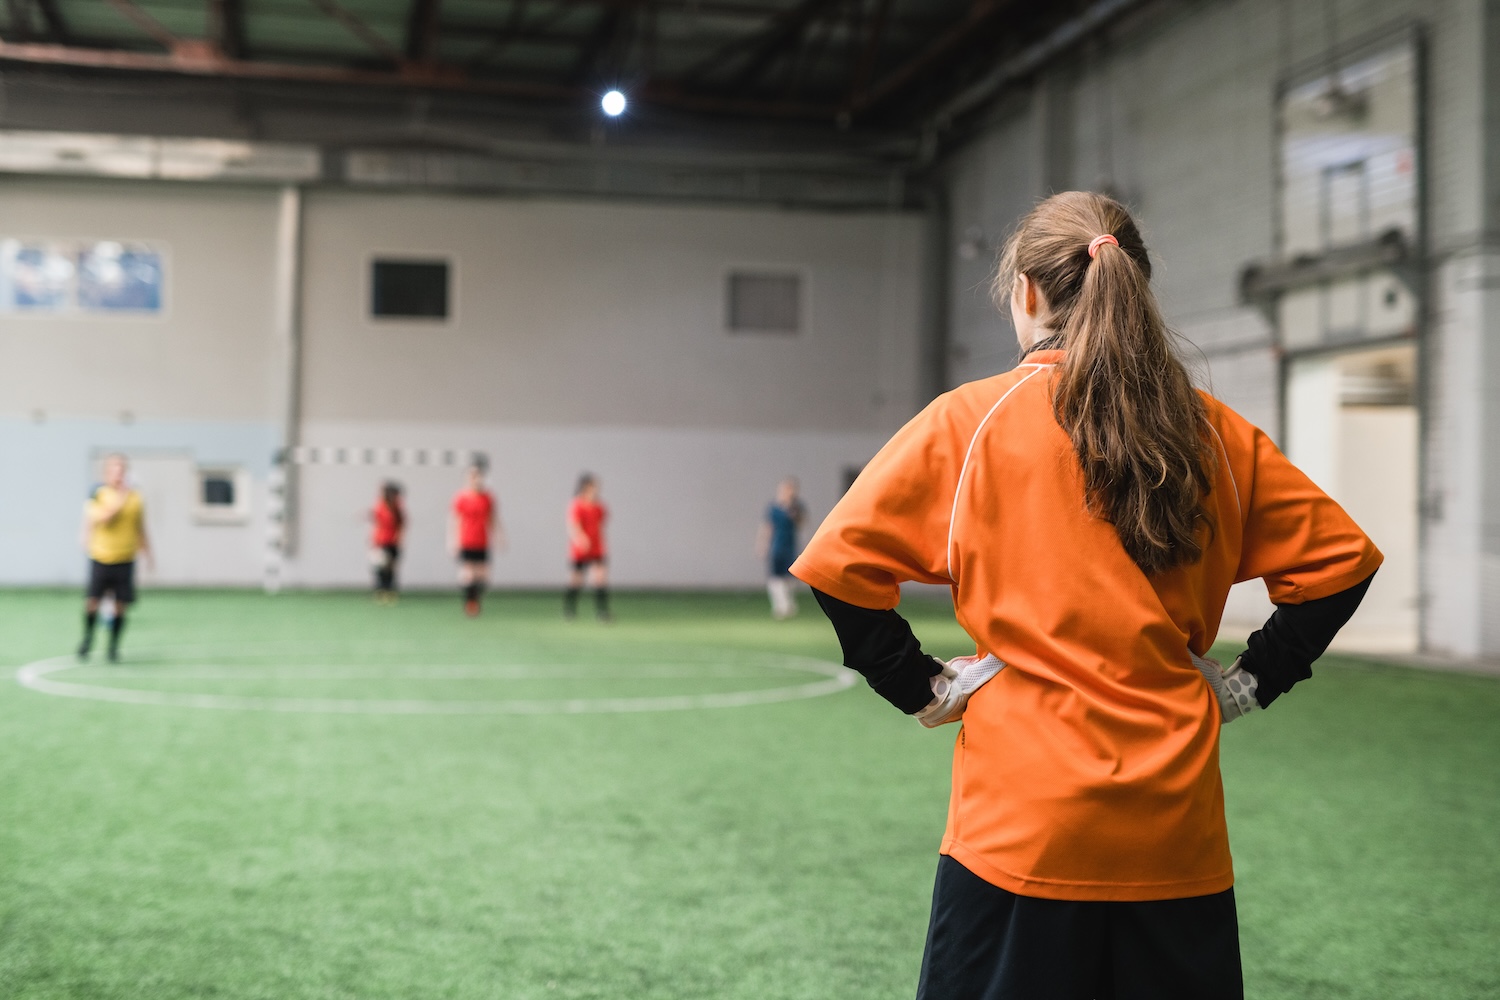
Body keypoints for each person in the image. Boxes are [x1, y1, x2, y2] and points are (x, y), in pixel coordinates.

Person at [791, 191, 1381, 1000]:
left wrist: (921, 686)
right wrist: (1252, 681)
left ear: (1026, 294)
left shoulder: (970, 422)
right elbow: (1342, 564)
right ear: (1135, 287)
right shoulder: (1213, 430)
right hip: (1176, 837)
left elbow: (837, 567)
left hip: (1017, 834)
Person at [78, 453, 153, 663]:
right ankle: (87, 639)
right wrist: (121, 497)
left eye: (122, 469)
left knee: (121, 605)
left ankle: (113, 647)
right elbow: (105, 519)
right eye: (114, 470)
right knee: (92, 602)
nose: (119, 474)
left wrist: (149, 553)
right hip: (101, 557)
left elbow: (141, 527)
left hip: (126, 558)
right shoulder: (98, 494)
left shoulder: (136, 497)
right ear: (106, 473)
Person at [450, 463, 503, 617]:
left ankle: (475, 598)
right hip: (466, 540)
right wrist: (454, 541)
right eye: (472, 475)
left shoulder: (488, 497)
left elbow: (493, 519)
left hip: (482, 541)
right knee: (467, 574)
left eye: (478, 475)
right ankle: (470, 603)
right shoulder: (460, 497)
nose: (475, 479)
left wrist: (499, 536)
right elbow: (455, 521)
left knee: (483, 576)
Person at [758, 477, 806, 619]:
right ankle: (780, 605)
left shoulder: (797, 507)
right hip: (776, 545)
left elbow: (801, 524)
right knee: (775, 576)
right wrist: (763, 544)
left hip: (791, 545)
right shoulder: (773, 507)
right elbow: (767, 527)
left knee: (791, 577)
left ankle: (789, 603)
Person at [564, 473, 610, 621]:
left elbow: (600, 525)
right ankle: (570, 609)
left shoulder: (599, 507)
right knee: (577, 580)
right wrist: (581, 538)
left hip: (597, 548)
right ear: (585, 487)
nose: (596, 489)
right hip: (580, 549)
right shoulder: (576, 504)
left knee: (600, 579)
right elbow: (573, 525)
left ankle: (602, 612)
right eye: (593, 486)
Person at [370, 481, 404, 604]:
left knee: (391, 568)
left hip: (393, 542)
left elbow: (402, 525)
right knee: (380, 567)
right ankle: (381, 590)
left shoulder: (397, 508)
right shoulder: (380, 506)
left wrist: (399, 539)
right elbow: (375, 524)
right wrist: (373, 542)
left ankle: (390, 590)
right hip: (380, 542)